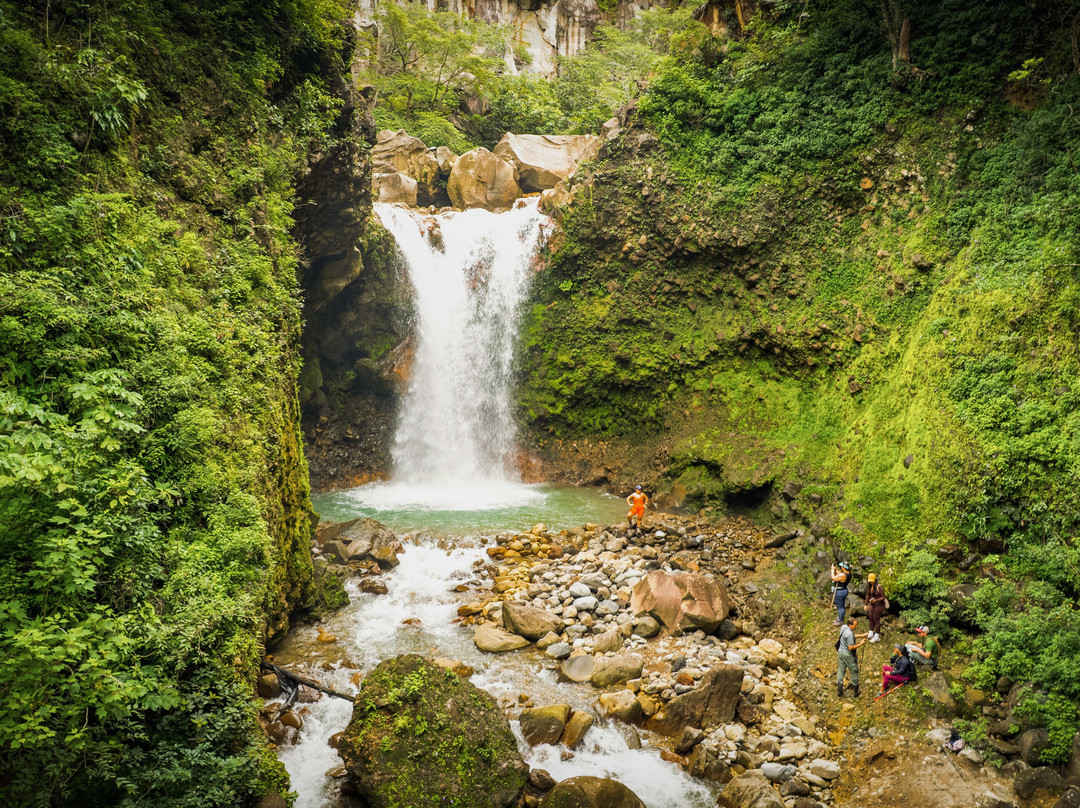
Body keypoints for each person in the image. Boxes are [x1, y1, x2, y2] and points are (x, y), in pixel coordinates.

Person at [837, 616, 866, 698]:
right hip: (848, 655)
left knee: (841, 670)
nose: (856, 627)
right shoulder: (849, 633)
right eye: (855, 625)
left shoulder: (843, 627)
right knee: (854, 671)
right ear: (850, 625)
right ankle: (856, 692)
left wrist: (862, 635)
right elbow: (850, 647)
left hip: (841, 652)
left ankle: (839, 690)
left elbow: (851, 636)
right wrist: (861, 644)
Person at [865, 573, 886, 643]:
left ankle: (876, 636)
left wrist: (876, 600)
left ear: (875, 580)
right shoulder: (869, 586)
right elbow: (868, 595)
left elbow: (883, 597)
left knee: (876, 619)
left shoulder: (879, 587)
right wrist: (865, 604)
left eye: (872, 581)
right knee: (870, 618)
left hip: (879, 605)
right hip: (872, 604)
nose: (871, 582)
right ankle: (871, 632)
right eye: (870, 581)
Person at [830, 561, 853, 626]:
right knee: (841, 606)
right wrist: (838, 573)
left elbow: (833, 578)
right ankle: (840, 617)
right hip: (844, 590)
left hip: (840, 592)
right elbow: (840, 577)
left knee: (840, 607)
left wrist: (832, 570)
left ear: (844, 568)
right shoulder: (848, 574)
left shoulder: (843, 575)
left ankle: (840, 621)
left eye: (842, 567)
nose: (841, 567)